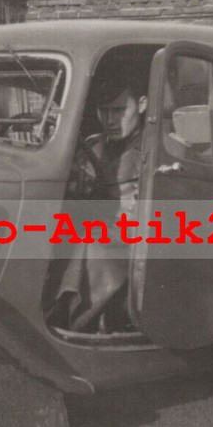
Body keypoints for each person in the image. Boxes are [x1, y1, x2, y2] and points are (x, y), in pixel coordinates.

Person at [51, 84, 148, 333]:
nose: (109, 120)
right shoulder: (94, 147)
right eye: (103, 110)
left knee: (89, 242)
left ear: (142, 105)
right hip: (103, 226)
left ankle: (74, 321)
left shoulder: (158, 148)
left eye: (118, 110)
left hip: (141, 236)